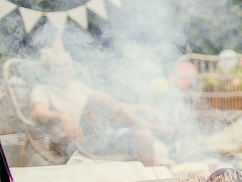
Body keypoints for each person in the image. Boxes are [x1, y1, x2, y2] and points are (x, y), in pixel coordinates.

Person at [30, 46, 171, 166]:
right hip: (71, 141)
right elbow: (38, 112)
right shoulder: (43, 89)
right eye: (58, 66)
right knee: (98, 98)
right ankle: (156, 128)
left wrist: (139, 107)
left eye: (67, 64)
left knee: (142, 135)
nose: (64, 69)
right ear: (48, 69)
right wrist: (64, 117)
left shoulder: (77, 86)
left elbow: (112, 106)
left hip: (97, 138)